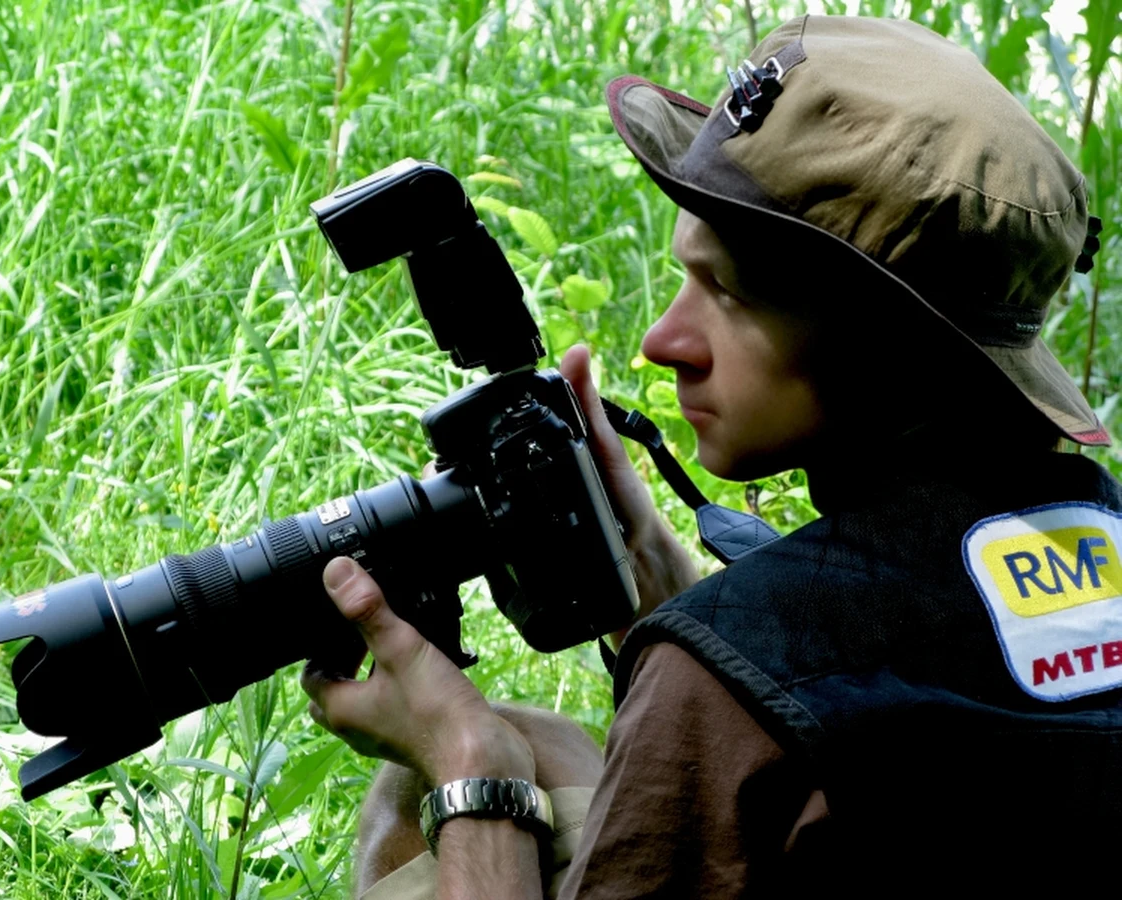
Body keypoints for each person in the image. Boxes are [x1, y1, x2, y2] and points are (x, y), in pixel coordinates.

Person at [301, 14, 1120, 898]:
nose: (662, 342)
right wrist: (671, 597)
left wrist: (466, 761)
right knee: (548, 746)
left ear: (889, 352)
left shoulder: (718, 696)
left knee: (436, 789)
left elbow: (756, 731)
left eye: (725, 293)